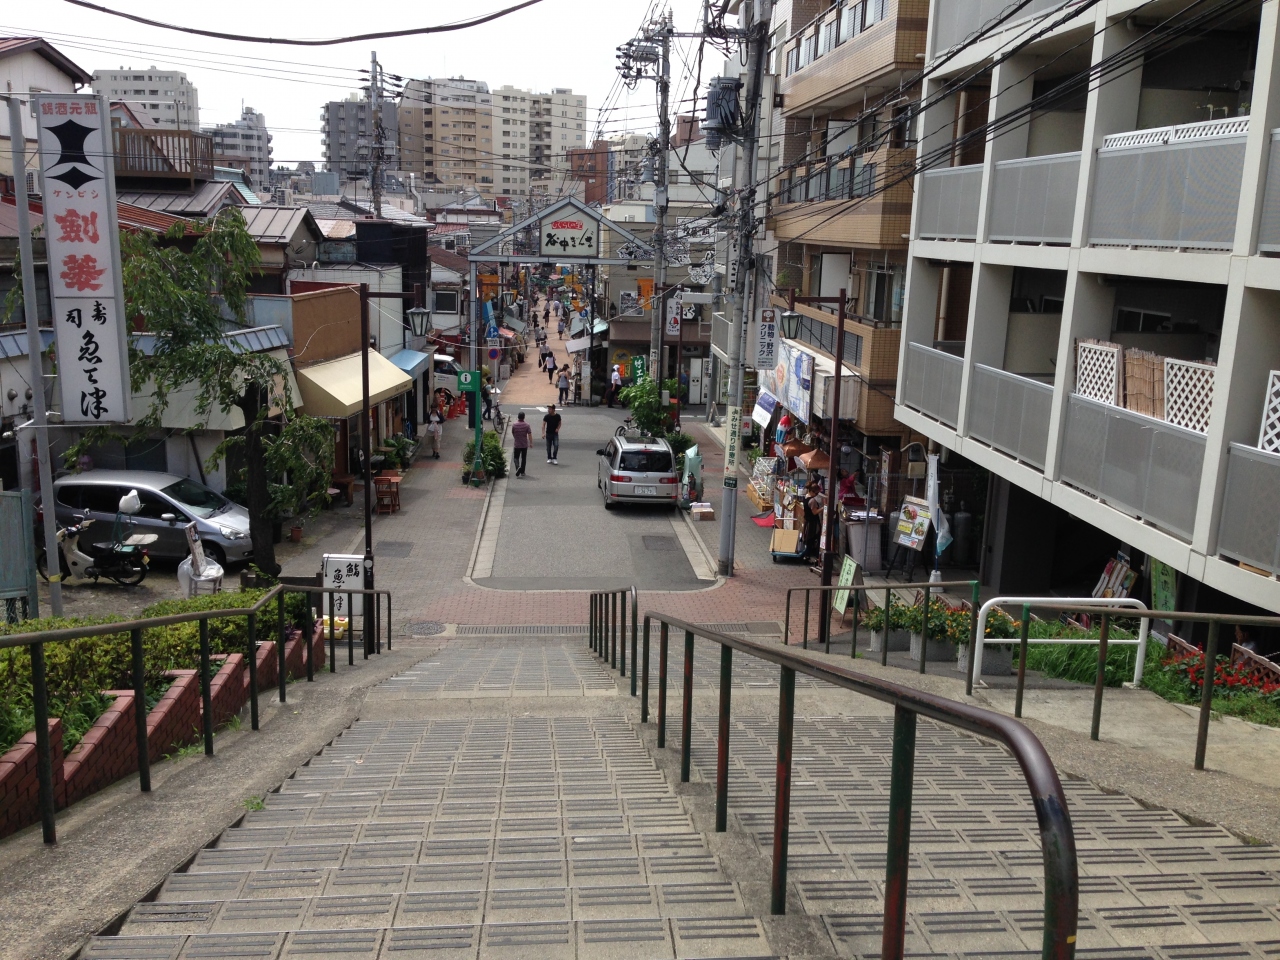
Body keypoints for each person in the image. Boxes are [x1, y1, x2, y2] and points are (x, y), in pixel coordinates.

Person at [803, 478, 825, 561]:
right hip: (813, 523)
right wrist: (823, 508)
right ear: (812, 491)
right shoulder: (812, 501)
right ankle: (811, 556)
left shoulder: (806, 496)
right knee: (813, 539)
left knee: (809, 539)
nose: (817, 495)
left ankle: (808, 555)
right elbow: (815, 512)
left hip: (808, 521)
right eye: (816, 493)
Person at [511, 411, 533, 477]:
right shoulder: (527, 425)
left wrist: (515, 437)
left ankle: (518, 468)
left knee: (516, 457)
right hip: (524, 444)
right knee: (523, 458)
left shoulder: (514, 425)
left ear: (518, 417)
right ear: (524, 417)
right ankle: (522, 472)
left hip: (517, 444)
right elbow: (529, 434)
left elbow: (513, 432)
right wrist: (531, 443)